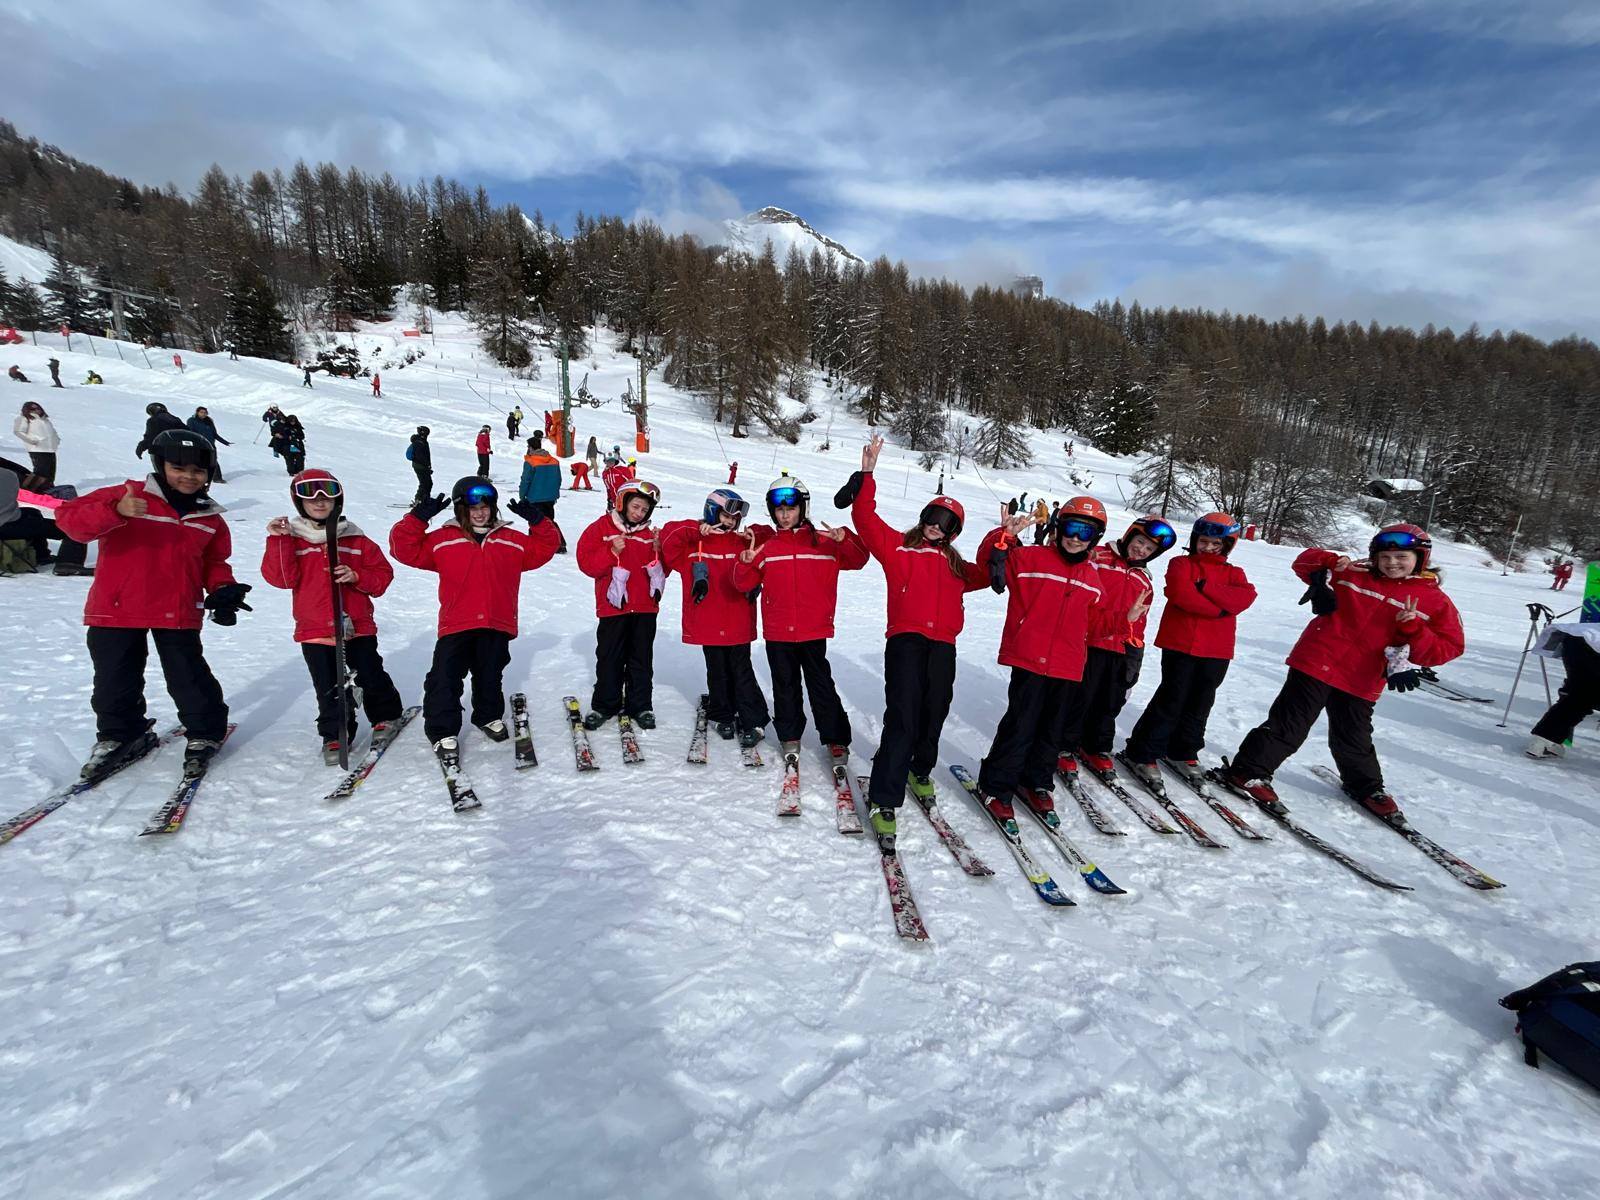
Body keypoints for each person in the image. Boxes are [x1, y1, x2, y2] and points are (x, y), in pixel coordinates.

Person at [1219, 524, 1465, 818]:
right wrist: (1331, 562)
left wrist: (1414, 629)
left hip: (1363, 677)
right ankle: (1248, 772)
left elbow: (1448, 648)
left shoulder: (1435, 601)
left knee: (1354, 735)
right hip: (1316, 660)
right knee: (1290, 723)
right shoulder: (1354, 573)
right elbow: (1303, 562)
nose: (1392, 563)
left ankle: (1366, 787)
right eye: (1384, 556)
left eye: (1401, 556)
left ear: (1421, 558)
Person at [54, 428, 249, 777]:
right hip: (117, 608)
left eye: (198, 471)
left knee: (187, 674)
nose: (189, 476)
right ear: (160, 465)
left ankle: (205, 731)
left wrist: (222, 589)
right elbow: (71, 522)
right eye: (179, 467)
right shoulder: (126, 495)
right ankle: (121, 734)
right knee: (115, 677)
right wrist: (115, 510)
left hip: (177, 609)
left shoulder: (210, 518)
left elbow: (214, 563)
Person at [849, 435, 987, 845]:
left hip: (943, 645)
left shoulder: (959, 567)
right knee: (904, 715)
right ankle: (884, 795)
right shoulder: (898, 549)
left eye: (945, 523)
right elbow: (865, 518)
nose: (934, 526)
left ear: (953, 532)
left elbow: (999, 572)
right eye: (932, 516)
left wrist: (1005, 537)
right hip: (906, 641)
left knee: (935, 711)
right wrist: (868, 473)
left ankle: (918, 768)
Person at [970, 501, 1116, 826]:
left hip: (1067, 664)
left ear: (1095, 538)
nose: (1075, 538)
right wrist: (1003, 535)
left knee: (1052, 730)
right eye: (1071, 528)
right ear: (1059, 528)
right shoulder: (1031, 558)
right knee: (1021, 725)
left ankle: (1036, 781)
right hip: (1029, 658)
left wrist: (1124, 621)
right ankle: (996, 785)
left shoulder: (1092, 578)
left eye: (1085, 532)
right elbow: (991, 567)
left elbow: (1095, 623)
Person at [389, 476, 560, 752]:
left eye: (486, 506)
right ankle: (443, 730)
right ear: (461, 510)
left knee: (490, 674)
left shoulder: (511, 541)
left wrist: (538, 521)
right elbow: (403, 549)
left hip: (496, 621)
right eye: (473, 508)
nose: (480, 512)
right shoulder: (444, 540)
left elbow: (544, 549)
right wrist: (417, 519)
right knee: (445, 676)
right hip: (457, 622)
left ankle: (488, 716)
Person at [262, 469, 405, 762]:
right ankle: (335, 732)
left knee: (369, 674)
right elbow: (281, 579)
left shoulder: (355, 538)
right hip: (315, 629)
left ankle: (386, 715)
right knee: (327, 685)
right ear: (297, 501)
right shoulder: (294, 540)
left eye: (327, 495)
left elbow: (382, 576)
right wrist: (278, 541)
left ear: (337, 500)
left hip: (356, 626)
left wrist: (357, 576)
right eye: (310, 495)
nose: (319, 501)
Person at [731, 476, 868, 758]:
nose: (785, 515)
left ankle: (835, 736)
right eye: (779, 510)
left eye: (790, 509)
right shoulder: (767, 548)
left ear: (803, 509)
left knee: (821, 685)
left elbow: (859, 560)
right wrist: (744, 563)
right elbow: (743, 585)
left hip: (813, 629)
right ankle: (789, 734)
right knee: (785, 685)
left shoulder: (824, 543)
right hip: (778, 631)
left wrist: (846, 540)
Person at [1121, 514, 1257, 788]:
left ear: (1226, 545)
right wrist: (1221, 608)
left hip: (1217, 650)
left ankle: (1184, 750)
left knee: (1201, 702)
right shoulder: (1180, 563)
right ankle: (1143, 751)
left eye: (1214, 544)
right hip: (1181, 643)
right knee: (1173, 697)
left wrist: (1205, 587)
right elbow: (1182, 595)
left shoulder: (1235, 573)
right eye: (1203, 542)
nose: (1207, 548)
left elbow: (1245, 597)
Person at [1058, 514, 1174, 778]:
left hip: (1122, 645)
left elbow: (1140, 618)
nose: (1141, 549)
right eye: (1140, 541)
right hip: (1091, 638)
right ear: (1130, 535)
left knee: (1109, 701)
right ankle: (1063, 745)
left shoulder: (1145, 578)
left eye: (1149, 548)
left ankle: (1096, 746)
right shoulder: (1098, 556)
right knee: (1080, 697)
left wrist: (1135, 648)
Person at [660, 488, 773, 746]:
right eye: (726, 515)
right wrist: (694, 529)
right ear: (711, 512)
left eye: (735, 518)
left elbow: (771, 535)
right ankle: (721, 712)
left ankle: (753, 718)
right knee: (718, 671)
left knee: (741, 671)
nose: (731, 522)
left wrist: (753, 532)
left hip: (738, 621)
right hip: (708, 623)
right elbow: (668, 539)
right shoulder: (692, 545)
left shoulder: (742, 542)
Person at [576, 479, 666, 730]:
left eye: (644, 510)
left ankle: (641, 705)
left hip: (645, 609)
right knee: (609, 657)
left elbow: (662, 572)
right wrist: (609, 550)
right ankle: (605, 704)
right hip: (613, 608)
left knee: (640, 659)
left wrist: (660, 549)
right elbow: (586, 564)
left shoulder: (651, 535)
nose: (639, 513)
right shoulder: (602, 527)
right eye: (636, 507)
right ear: (622, 502)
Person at [1527, 625, 1600, 758]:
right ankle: (1545, 740)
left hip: (1577, 638)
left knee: (1578, 695)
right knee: (1582, 695)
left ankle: (1543, 740)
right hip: (1590, 642)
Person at [0, 468, 90, 575]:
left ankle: (41, 555)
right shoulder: (8, 475)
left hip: (8, 524)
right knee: (72, 527)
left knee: (32, 513)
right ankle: (69, 563)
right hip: (8, 525)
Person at [517, 432, 565, 550]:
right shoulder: (554, 461)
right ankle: (559, 543)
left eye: (528, 447)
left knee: (535, 520)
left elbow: (526, 481)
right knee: (549, 521)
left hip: (534, 497)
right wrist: (555, 495)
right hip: (550, 497)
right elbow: (558, 479)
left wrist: (522, 496)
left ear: (531, 447)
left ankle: (536, 544)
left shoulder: (530, 462)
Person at [13, 400, 59, 484]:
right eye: (32, 409)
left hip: (50, 449)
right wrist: (32, 441)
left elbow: (51, 432)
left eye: (38, 408)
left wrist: (56, 440)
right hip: (37, 449)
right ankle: (29, 490)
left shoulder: (44, 419)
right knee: (40, 473)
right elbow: (18, 432)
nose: (36, 410)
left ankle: (47, 488)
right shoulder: (24, 418)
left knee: (50, 472)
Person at [186, 407, 232, 483]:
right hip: (199, 445)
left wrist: (225, 442)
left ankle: (217, 478)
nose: (203, 414)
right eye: (201, 412)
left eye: (205, 412)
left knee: (213, 462)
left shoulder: (209, 421)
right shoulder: (191, 421)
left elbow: (214, 434)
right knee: (197, 462)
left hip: (210, 445)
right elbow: (190, 433)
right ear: (197, 412)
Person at [407, 425, 432, 505]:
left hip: (421, 466)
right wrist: (427, 466)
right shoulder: (419, 442)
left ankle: (424, 500)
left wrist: (428, 466)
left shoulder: (422, 441)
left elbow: (426, 455)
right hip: (420, 466)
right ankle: (420, 500)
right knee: (425, 483)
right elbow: (421, 456)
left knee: (427, 483)